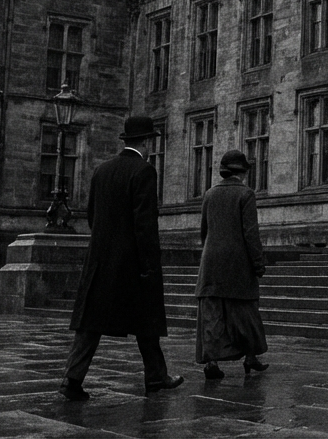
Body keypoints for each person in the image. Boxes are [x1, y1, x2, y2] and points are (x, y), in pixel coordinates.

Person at [60, 115, 183, 401]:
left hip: (100, 260)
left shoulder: (101, 170)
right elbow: (145, 224)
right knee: (147, 319)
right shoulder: (144, 171)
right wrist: (149, 264)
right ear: (147, 142)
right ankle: (155, 377)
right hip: (131, 262)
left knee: (91, 324)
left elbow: (92, 215)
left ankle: (73, 379)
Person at [195, 150, 269, 378]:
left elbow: (204, 231)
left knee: (212, 313)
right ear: (244, 172)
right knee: (245, 312)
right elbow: (250, 233)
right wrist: (258, 263)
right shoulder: (246, 194)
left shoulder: (209, 193)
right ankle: (250, 357)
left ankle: (211, 363)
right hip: (237, 262)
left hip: (211, 261)